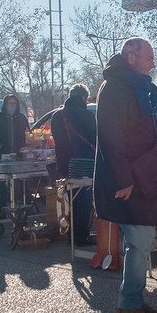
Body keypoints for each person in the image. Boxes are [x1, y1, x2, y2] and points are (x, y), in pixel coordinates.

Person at [94, 37, 157, 313]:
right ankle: (128, 305)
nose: (153, 62)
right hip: (130, 179)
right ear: (131, 57)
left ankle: (135, 301)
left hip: (142, 175)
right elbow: (112, 137)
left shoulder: (133, 86)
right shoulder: (115, 87)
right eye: (149, 56)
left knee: (141, 241)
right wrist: (124, 179)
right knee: (139, 241)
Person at [52, 83, 97, 246]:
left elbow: (57, 140)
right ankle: (80, 236)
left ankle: (70, 234)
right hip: (84, 163)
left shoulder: (57, 115)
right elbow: (95, 139)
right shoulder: (87, 116)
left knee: (68, 199)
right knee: (83, 201)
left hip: (64, 164)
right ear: (84, 98)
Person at [0, 94, 30, 213]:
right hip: (1, 156)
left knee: (22, 181)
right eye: (10, 103)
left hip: (20, 155)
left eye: (14, 103)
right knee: (1, 183)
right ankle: (3, 208)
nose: (12, 106)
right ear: (5, 104)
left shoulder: (22, 118)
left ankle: (24, 206)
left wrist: (27, 147)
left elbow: (28, 134)